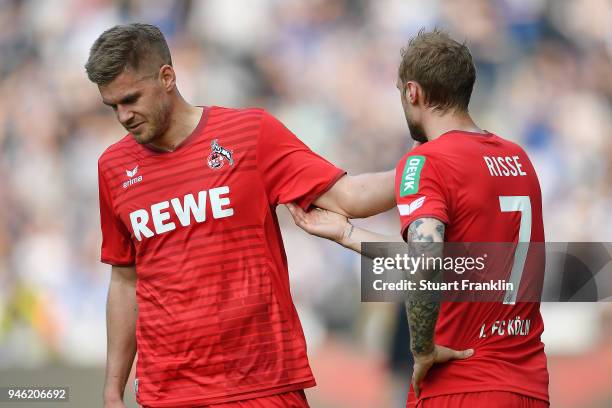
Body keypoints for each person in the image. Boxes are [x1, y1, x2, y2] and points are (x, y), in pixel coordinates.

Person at [86, 23, 396, 408]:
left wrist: (430, 167)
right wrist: (112, 390)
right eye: (112, 106)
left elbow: (349, 198)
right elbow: (124, 279)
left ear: (167, 77)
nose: (123, 116)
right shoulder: (113, 167)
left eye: (131, 99)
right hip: (169, 391)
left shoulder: (249, 134)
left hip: (262, 385)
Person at [287, 29, 549, 408]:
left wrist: (422, 347)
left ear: (412, 92)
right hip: (528, 385)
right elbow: (459, 264)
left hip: (459, 385)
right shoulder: (518, 159)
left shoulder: (427, 162)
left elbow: (425, 262)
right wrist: (346, 233)